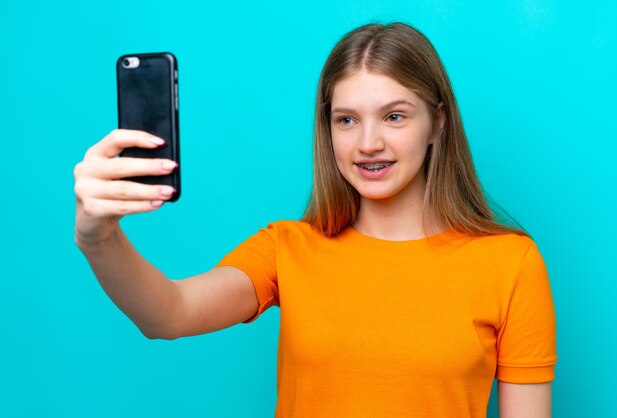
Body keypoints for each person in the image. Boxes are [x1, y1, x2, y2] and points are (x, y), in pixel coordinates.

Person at [74, 22, 557, 418]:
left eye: (394, 117)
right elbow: (169, 314)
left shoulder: (510, 264)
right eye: (346, 119)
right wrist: (98, 237)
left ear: (438, 123)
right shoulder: (288, 248)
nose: (368, 143)